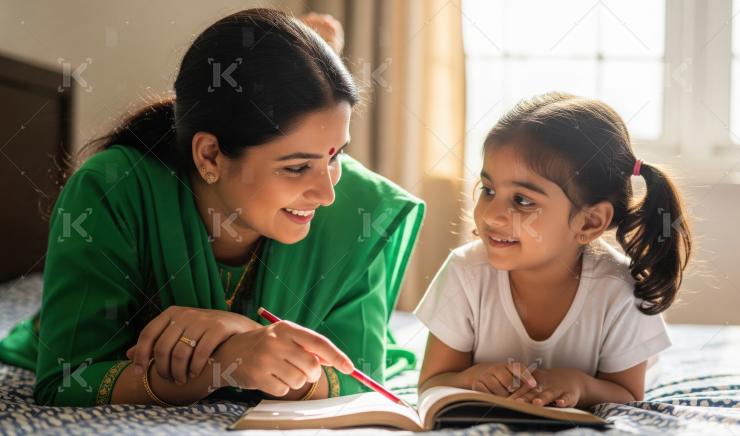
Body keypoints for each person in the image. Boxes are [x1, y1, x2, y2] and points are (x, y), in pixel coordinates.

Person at [0, 8, 424, 407]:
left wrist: (244, 332)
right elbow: (69, 380)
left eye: (335, 158)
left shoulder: (361, 210)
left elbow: (361, 375)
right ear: (210, 157)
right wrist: (225, 363)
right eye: (297, 167)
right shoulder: (112, 192)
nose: (327, 193)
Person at [415, 92, 691, 409]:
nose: (490, 215)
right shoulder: (464, 272)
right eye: (489, 190)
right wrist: (471, 378)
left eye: (522, 200)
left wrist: (580, 385)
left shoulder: (621, 290)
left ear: (589, 222)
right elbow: (432, 382)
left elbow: (628, 394)